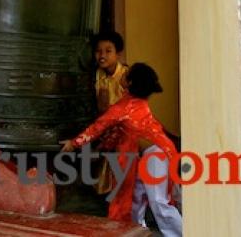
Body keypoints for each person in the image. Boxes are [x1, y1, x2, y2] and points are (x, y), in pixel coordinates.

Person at [62, 63, 181, 237]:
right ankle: (136, 232)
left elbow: (98, 127)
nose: (123, 75)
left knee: (159, 202)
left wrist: (74, 143)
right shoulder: (135, 103)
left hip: (156, 155)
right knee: (135, 198)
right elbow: (115, 132)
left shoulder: (124, 108)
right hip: (150, 155)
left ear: (130, 83)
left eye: (126, 75)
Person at [91, 31, 129, 195]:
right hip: (106, 129)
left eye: (108, 51)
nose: (102, 55)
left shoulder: (126, 76)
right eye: (98, 51)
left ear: (118, 53)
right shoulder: (99, 74)